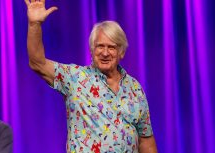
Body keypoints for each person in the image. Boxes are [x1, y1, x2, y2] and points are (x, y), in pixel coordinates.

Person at [25, 0, 157, 152]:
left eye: (111, 47)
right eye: (100, 46)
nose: (105, 53)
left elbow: (146, 140)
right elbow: (37, 62)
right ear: (92, 50)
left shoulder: (135, 88)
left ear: (121, 52)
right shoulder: (75, 78)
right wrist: (34, 24)